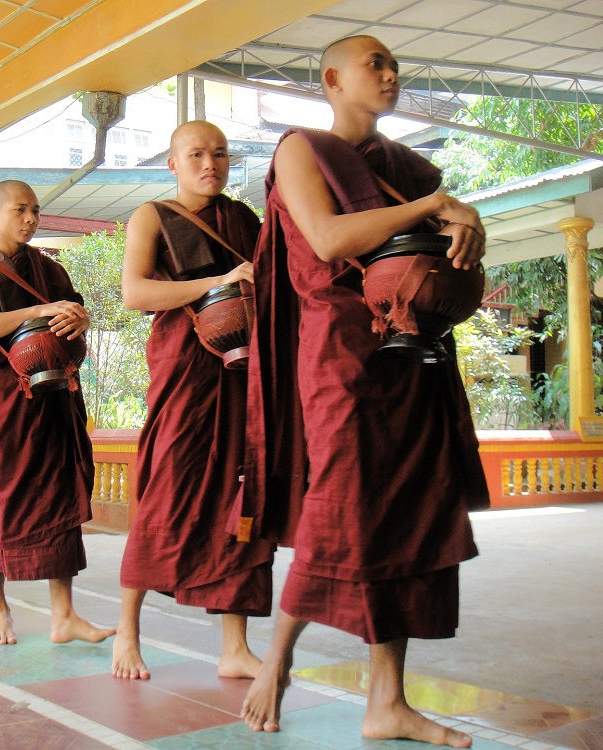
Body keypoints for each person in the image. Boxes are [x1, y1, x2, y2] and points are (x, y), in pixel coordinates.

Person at [238, 36, 489, 748]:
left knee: (409, 513)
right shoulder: (303, 149)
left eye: (394, 66)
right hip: (342, 356)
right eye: (374, 63)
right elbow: (324, 239)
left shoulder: (406, 167)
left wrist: (468, 223)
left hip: (415, 351)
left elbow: (440, 237)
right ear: (331, 79)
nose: (389, 74)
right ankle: (277, 661)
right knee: (342, 504)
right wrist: (435, 207)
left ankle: (388, 702)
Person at [113, 121, 274, 681]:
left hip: (243, 373)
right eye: (197, 155)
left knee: (241, 496)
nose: (211, 164)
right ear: (173, 164)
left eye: (221, 154)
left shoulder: (242, 220)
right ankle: (128, 634)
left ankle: (235, 647)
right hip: (184, 370)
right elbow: (135, 292)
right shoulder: (151, 217)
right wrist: (214, 285)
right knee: (166, 491)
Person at [0, 180, 114, 646]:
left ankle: (63, 616)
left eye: (36, 211)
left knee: (57, 502)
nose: (30, 219)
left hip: (50, 398)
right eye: (20, 210)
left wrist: (78, 319)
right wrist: (39, 311)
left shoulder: (49, 268)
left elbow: (73, 313)